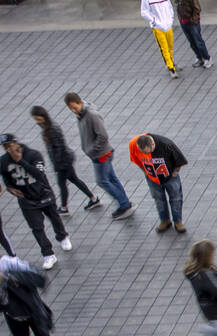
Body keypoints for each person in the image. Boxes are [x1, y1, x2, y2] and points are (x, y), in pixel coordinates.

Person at [0, 135, 71, 270]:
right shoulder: (3, 161)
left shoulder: (33, 155)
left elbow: (39, 174)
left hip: (43, 194)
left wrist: (20, 161)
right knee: (37, 228)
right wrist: (10, 188)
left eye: (9, 145)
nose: (7, 149)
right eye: (5, 147)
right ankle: (48, 254)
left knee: (54, 218)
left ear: (16, 143)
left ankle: (62, 236)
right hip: (26, 200)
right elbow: (5, 176)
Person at [63, 93, 135, 219]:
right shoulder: (81, 115)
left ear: (80, 102)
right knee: (112, 179)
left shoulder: (91, 115)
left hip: (101, 154)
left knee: (102, 181)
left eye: (75, 107)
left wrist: (92, 150)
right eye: (71, 109)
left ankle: (124, 204)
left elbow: (103, 136)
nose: (74, 111)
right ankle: (125, 203)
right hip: (98, 154)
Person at [0, 255, 65, 336]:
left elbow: (36, 275)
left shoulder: (6, 263)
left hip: (32, 309)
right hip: (13, 315)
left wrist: (9, 278)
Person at [29, 106, 100, 216]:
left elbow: (59, 147)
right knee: (74, 180)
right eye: (36, 120)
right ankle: (93, 198)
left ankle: (64, 207)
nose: (37, 122)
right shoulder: (47, 126)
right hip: (64, 160)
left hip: (63, 162)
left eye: (38, 119)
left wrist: (57, 164)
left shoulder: (52, 129)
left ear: (43, 116)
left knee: (62, 184)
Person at [128, 133, 188, 234]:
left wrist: (175, 174)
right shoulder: (133, 145)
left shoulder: (166, 144)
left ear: (152, 143)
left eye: (149, 151)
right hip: (152, 178)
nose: (147, 154)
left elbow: (179, 160)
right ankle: (165, 221)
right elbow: (137, 160)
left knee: (176, 198)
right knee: (159, 199)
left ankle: (178, 222)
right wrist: (146, 172)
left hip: (170, 177)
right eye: (143, 152)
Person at [140, 0, 178, 79]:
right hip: (158, 27)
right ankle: (171, 68)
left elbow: (169, 7)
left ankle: (172, 63)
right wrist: (154, 21)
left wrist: (170, 19)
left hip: (168, 25)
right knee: (164, 48)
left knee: (170, 46)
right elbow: (144, 12)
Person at [176, 0, 212, 68]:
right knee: (192, 42)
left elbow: (197, 8)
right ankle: (199, 58)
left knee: (199, 42)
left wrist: (194, 20)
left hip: (192, 22)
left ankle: (207, 58)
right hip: (183, 22)